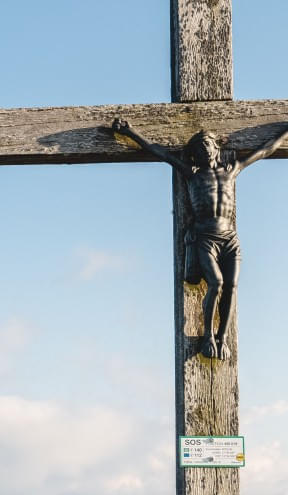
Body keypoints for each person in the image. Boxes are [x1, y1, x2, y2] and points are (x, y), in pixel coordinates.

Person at [112, 117, 288, 359]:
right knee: (216, 283)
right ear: (194, 154)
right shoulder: (191, 173)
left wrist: (285, 131)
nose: (205, 149)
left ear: (216, 148)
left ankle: (222, 338)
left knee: (231, 287)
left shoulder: (231, 169)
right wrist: (131, 132)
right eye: (199, 147)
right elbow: (159, 152)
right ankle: (208, 336)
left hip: (229, 239)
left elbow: (265, 150)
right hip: (205, 237)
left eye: (208, 144)